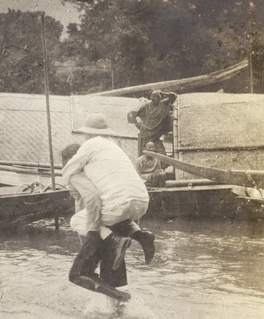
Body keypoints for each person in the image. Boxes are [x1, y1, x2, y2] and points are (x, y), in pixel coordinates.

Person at [61, 113, 155, 300]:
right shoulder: (110, 154)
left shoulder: (81, 167)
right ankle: (119, 314)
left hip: (110, 223)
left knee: (76, 222)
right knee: (113, 278)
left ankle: (115, 242)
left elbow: (89, 203)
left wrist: (92, 234)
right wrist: (134, 231)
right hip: (135, 206)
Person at [128, 90, 177, 156]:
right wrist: (138, 125)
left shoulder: (163, 104)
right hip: (145, 135)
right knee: (144, 156)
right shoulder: (146, 106)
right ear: (151, 98)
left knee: (162, 158)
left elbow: (174, 96)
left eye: (157, 96)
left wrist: (163, 92)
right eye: (154, 97)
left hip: (155, 136)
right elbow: (131, 113)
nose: (155, 98)